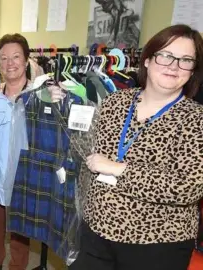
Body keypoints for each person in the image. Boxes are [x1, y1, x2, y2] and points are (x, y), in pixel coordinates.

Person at [70, 24, 203, 270]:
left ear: (193, 70)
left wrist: (119, 169)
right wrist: (64, 105)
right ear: (147, 61)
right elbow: (86, 152)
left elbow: (188, 188)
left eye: (186, 60)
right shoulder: (114, 102)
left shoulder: (196, 119)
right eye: (166, 56)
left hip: (156, 243)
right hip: (96, 232)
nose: (174, 66)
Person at [0, 33, 65, 270]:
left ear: (27, 61)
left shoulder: (41, 96)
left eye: (16, 57)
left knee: (19, 229)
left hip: (25, 172)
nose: (10, 63)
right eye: (4, 58)